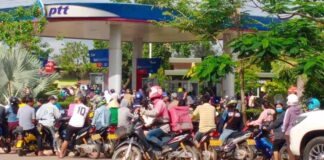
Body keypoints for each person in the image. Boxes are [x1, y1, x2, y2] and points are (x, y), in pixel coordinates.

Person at [140, 86, 170, 152]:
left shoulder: (160, 103)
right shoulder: (157, 103)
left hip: (164, 127)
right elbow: (154, 117)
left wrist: (144, 111)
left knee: (149, 135)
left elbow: (155, 113)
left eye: (150, 91)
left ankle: (164, 146)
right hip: (160, 126)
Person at [282, 94, 302, 160]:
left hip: (289, 132)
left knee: (290, 149)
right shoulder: (300, 109)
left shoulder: (289, 110)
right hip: (299, 131)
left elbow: (286, 122)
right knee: (298, 148)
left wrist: (283, 130)